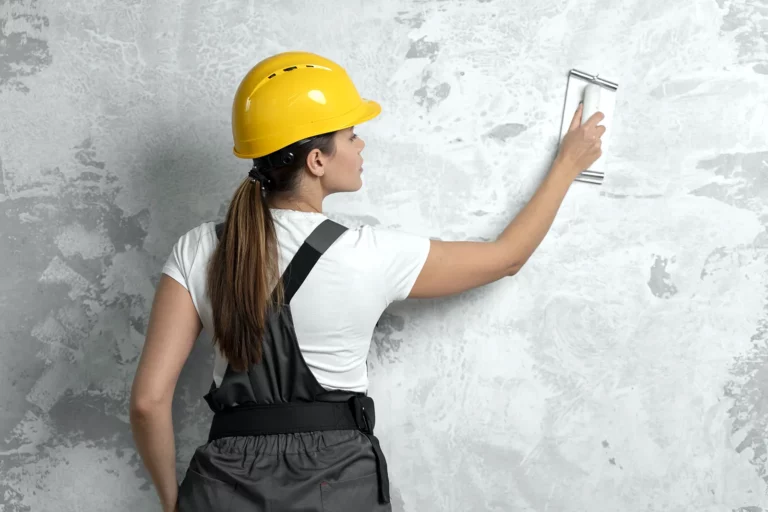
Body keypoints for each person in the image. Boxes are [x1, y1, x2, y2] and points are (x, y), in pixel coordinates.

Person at [129, 51, 605, 512]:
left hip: (221, 489)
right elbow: (506, 258)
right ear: (317, 160)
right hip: (337, 483)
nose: (361, 147)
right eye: (352, 136)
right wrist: (567, 165)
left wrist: (176, 503)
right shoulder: (368, 253)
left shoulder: (197, 248)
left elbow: (149, 403)